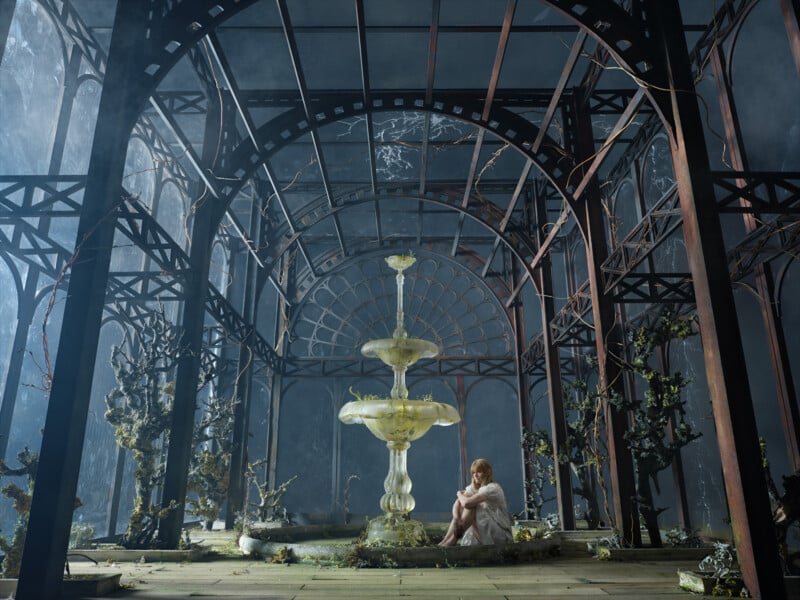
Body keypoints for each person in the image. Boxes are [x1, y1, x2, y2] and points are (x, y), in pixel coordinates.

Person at [438, 458, 513, 546]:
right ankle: (445, 541)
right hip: (483, 530)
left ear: (487, 472)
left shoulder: (493, 488)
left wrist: (459, 494)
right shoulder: (474, 488)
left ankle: (452, 540)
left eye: (479, 472)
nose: (475, 475)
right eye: (473, 473)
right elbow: (458, 503)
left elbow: (467, 503)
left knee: (473, 506)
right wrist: (456, 519)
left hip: (500, 534)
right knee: (465, 504)